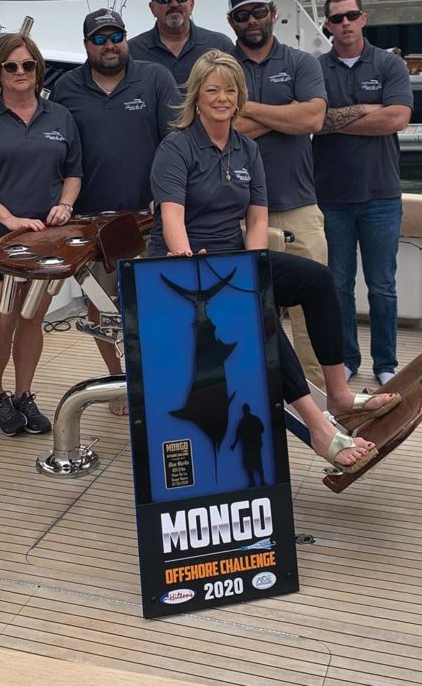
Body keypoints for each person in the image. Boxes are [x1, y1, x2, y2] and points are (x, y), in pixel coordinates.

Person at [148, 49, 399, 471]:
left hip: (232, 259)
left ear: (240, 96)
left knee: (318, 280)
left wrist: (254, 266)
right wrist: (185, 258)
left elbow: (257, 215)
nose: (222, 98)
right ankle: (318, 427)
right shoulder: (177, 147)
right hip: (183, 266)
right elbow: (171, 214)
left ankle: (338, 392)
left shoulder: (246, 148)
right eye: (212, 90)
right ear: (196, 96)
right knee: (256, 312)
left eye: (230, 90)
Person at [52, 8, 179, 415]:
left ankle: (157, 378)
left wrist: (167, 193)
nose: (110, 45)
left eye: (117, 35)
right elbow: (59, 153)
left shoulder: (156, 77)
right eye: (100, 38)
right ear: (86, 45)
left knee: (157, 303)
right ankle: (118, 380)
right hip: (92, 221)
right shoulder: (66, 88)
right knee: (100, 305)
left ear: (126, 38)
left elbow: (174, 141)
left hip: (148, 217)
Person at [0, 34, 82, 437]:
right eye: (11, 66)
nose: (20, 73)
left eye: (28, 65)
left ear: (38, 69)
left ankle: (25, 394)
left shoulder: (60, 117)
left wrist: (66, 204)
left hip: (45, 241)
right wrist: (8, 218)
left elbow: (74, 173)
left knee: (31, 321)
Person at [227, 0, 329, 390]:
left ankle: (317, 391)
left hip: (299, 204)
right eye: (242, 15)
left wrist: (246, 107)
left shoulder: (303, 61)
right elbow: (222, 128)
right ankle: (257, 384)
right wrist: (285, 112)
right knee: (246, 306)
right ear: (231, 21)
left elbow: (312, 120)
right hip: (238, 210)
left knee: (312, 306)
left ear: (272, 13)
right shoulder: (222, 66)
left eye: (257, 12)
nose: (251, 21)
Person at [314, 0, 413, 385]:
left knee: (382, 286)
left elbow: (398, 119)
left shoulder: (390, 64)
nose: (345, 24)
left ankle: (385, 363)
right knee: (337, 285)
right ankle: (347, 358)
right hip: (331, 196)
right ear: (328, 25)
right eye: (337, 19)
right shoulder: (315, 68)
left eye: (351, 15)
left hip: (382, 195)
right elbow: (313, 122)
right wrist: (371, 109)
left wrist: (336, 120)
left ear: (363, 17)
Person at [128, 0, 234, 87]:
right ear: (152, 8)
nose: (174, 4)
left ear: (191, 4)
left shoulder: (220, 45)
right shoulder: (132, 52)